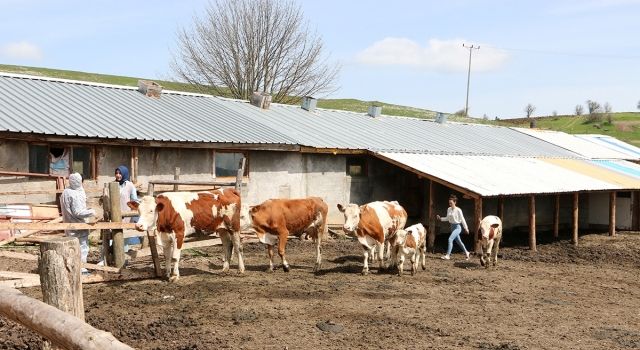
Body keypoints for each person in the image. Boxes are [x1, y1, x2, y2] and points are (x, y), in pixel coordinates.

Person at [60, 172, 96, 275]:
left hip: (68, 225)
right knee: (82, 248)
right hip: (78, 226)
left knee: (71, 248)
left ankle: (71, 269)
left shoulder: (66, 192)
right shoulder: (75, 194)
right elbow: (78, 212)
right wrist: (92, 212)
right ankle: (82, 269)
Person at [436, 194, 470, 260]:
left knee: (450, 239)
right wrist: (441, 218)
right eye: (449, 203)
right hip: (452, 227)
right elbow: (447, 218)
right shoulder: (449, 209)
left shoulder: (458, 210)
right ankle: (467, 252)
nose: (450, 204)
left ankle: (448, 255)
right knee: (459, 241)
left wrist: (466, 228)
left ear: (455, 202)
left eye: (451, 203)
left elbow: (462, 219)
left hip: (457, 227)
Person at [115, 165, 140, 253]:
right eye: (116, 173)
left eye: (120, 173)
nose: (118, 175)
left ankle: (123, 260)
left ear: (124, 174)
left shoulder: (130, 185)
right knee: (113, 238)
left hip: (126, 216)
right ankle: (112, 258)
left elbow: (135, 200)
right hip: (114, 216)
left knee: (124, 238)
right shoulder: (113, 184)